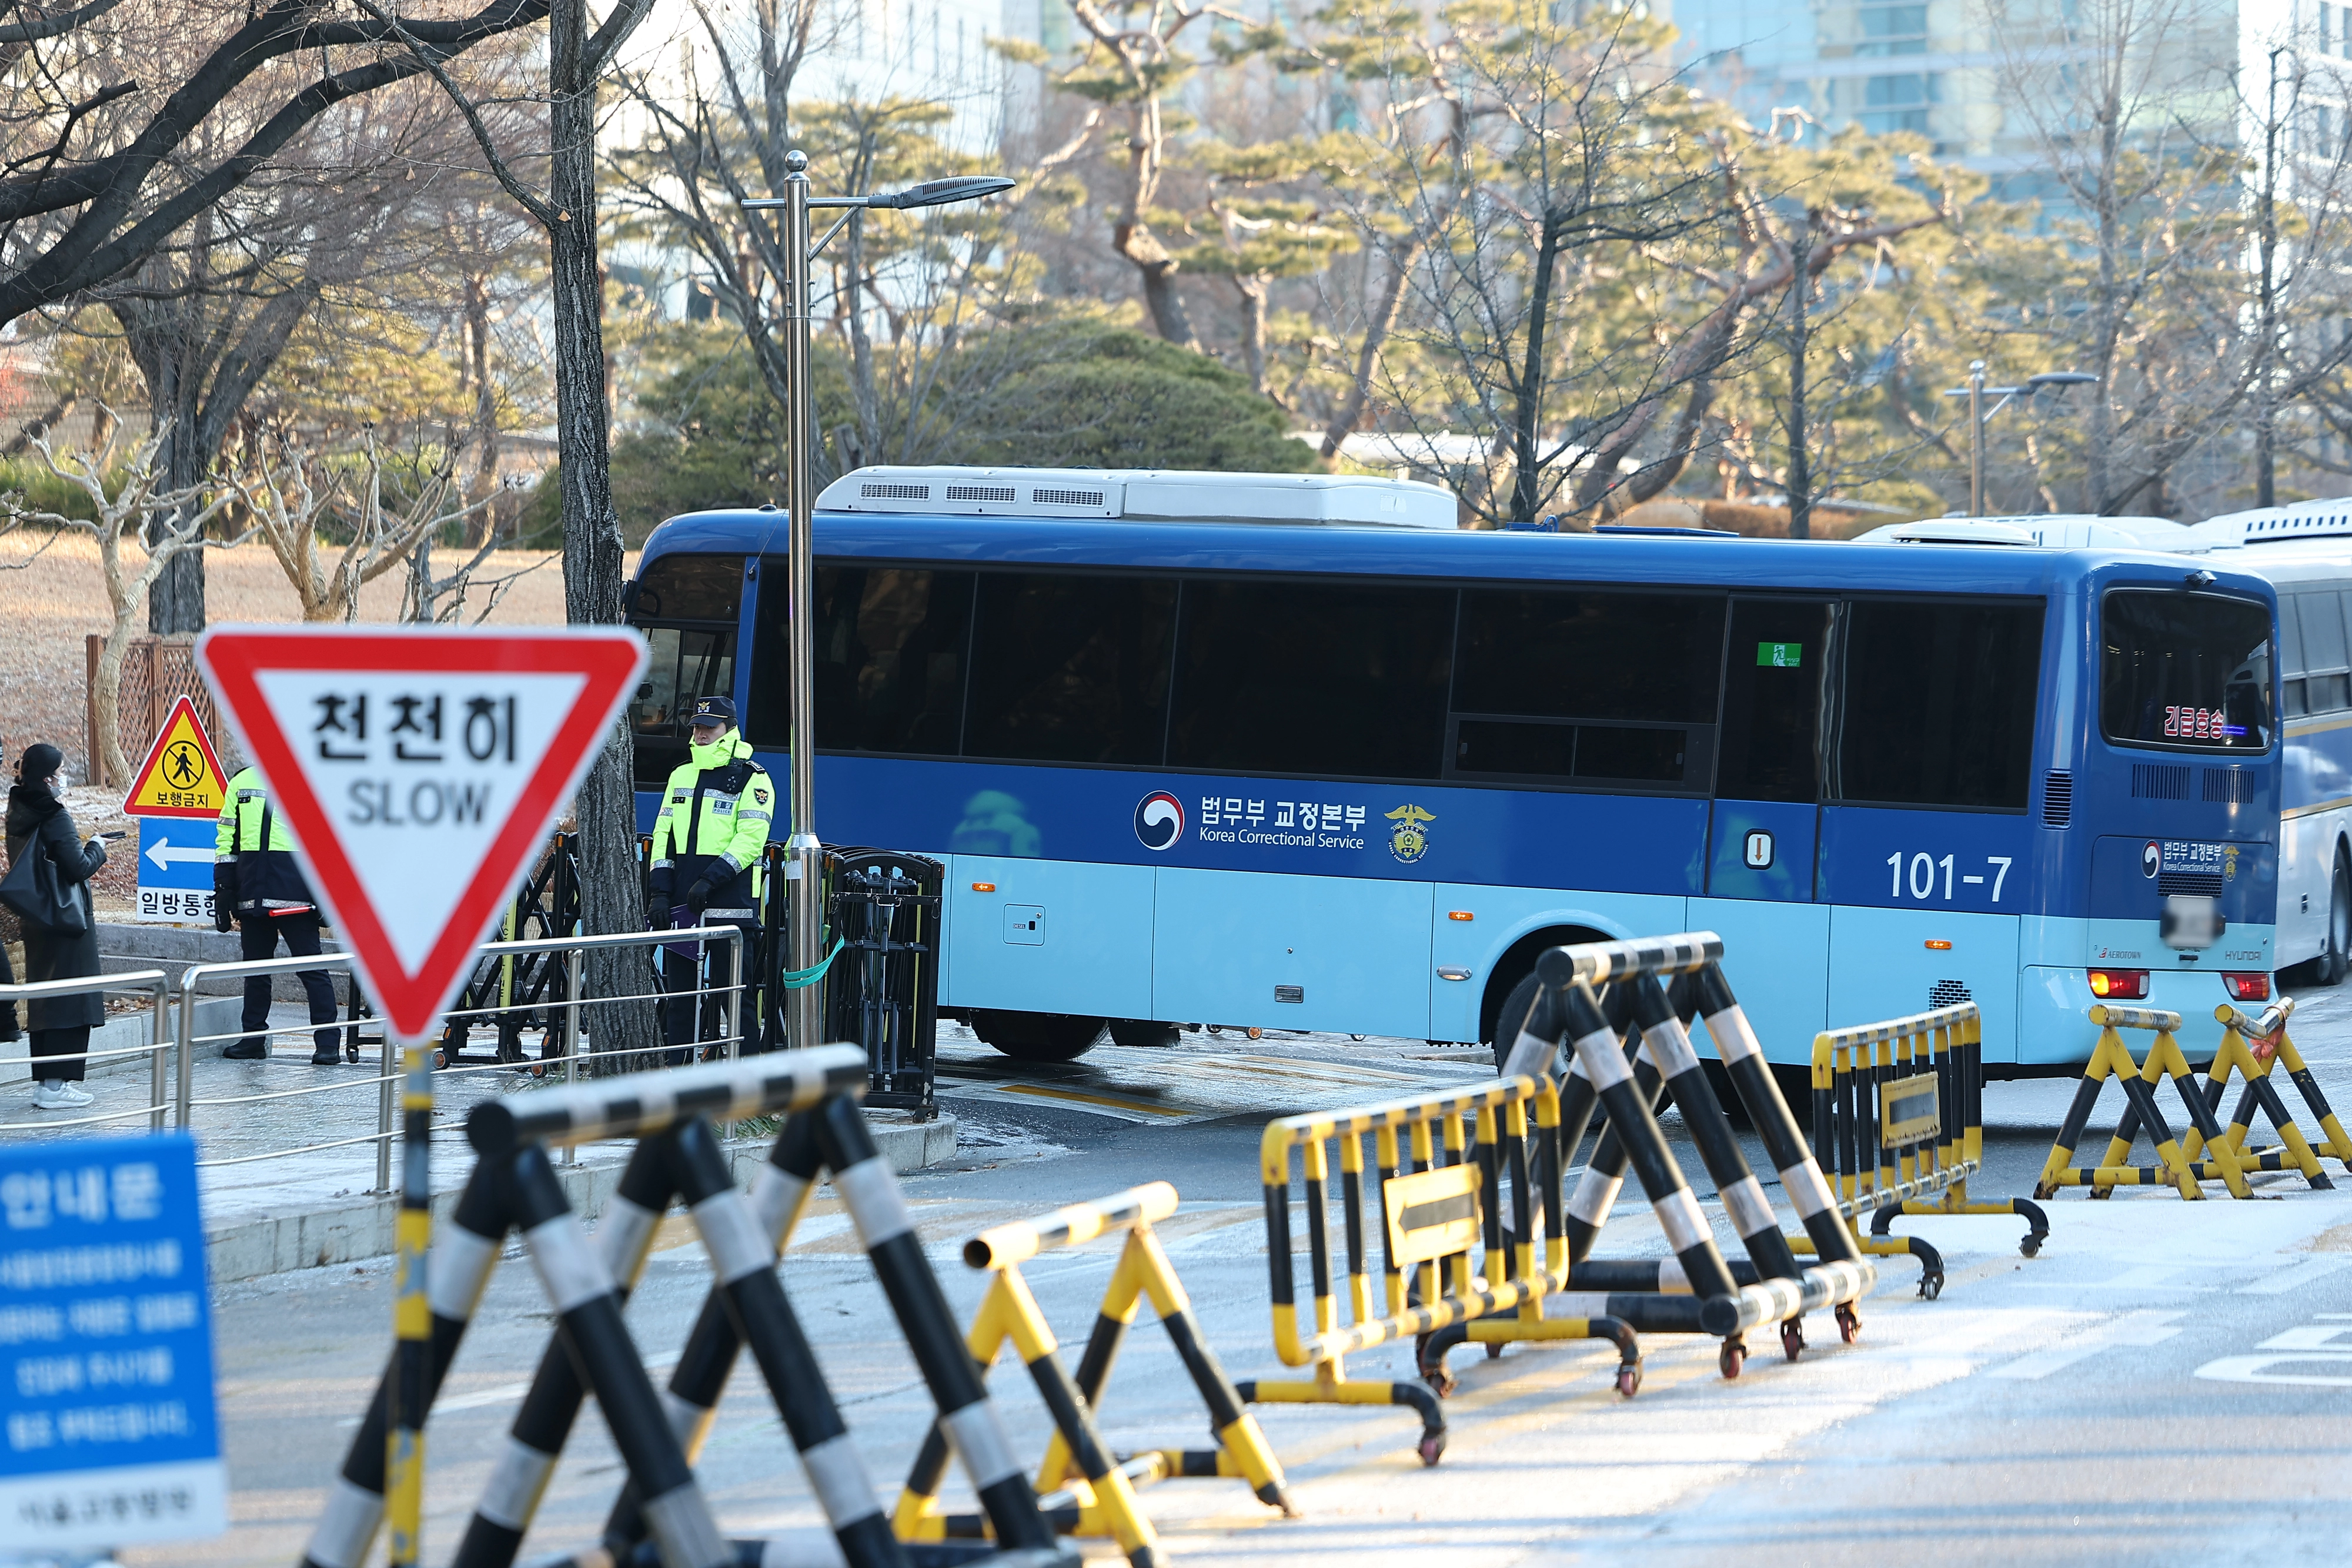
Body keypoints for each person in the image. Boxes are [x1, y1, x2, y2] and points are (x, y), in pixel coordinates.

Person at [647, 696, 773, 1062]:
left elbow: (752, 839)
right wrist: (659, 892)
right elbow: (664, 837)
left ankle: (749, 1086)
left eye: (710, 727)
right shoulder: (680, 775)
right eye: (697, 727)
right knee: (680, 997)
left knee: (737, 999)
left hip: (730, 906)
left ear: (729, 729)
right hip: (683, 907)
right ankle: (678, 1076)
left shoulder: (754, 777)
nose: (701, 734)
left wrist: (710, 879)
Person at [213, 764, 340, 1064]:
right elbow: (226, 837)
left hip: (292, 895)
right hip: (256, 893)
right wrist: (223, 887)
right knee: (257, 971)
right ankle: (254, 1039)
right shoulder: (243, 780)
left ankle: (327, 1045)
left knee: (311, 970)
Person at [6, 744, 103, 1110]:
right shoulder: (54, 815)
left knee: (46, 998)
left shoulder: (20, 811)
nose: (64, 776)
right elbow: (77, 867)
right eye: (60, 771)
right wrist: (97, 847)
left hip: (38, 918)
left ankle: (45, 1083)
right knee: (72, 999)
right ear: (47, 777)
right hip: (67, 920)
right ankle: (57, 1086)